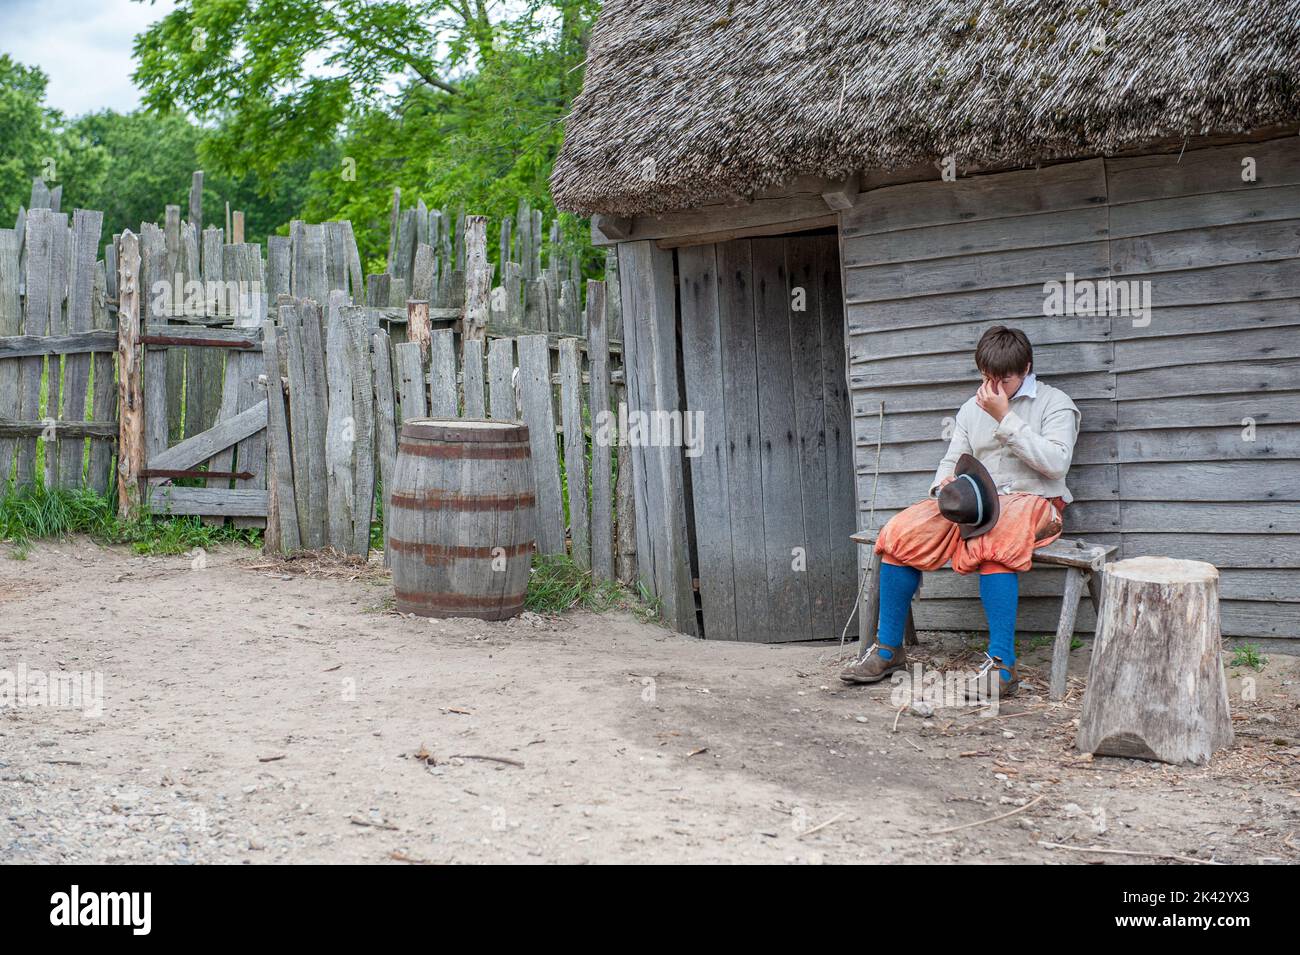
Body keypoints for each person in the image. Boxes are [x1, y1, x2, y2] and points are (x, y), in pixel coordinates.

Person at [839, 326, 1081, 696]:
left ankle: (1002, 665)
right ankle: (889, 650)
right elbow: (952, 458)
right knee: (900, 532)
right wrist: (944, 490)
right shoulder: (971, 407)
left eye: (1005, 379)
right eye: (987, 377)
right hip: (978, 503)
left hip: (1036, 502)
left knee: (995, 543)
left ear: (1027, 368)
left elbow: (1056, 464)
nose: (994, 387)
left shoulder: (1055, 403)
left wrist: (1006, 419)